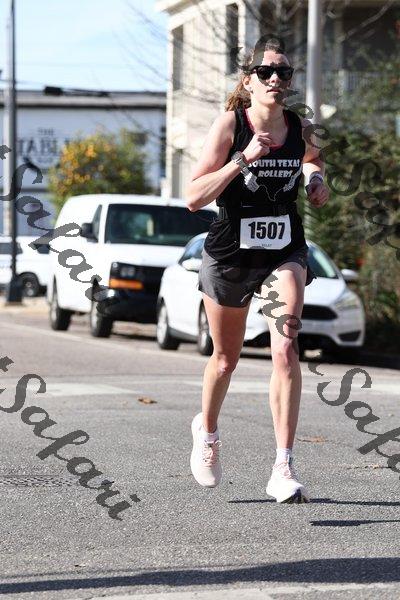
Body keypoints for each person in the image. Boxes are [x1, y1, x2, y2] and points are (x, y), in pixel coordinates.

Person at [185, 38, 329, 503]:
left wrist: (315, 179)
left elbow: (312, 161)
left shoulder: (302, 128)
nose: (275, 79)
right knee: (226, 359)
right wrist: (243, 159)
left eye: (283, 72)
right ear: (248, 81)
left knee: (285, 348)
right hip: (230, 252)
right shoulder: (231, 124)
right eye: (265, 71)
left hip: (283, 249)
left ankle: (283, 465)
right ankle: (207, 433)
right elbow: (194, 197)